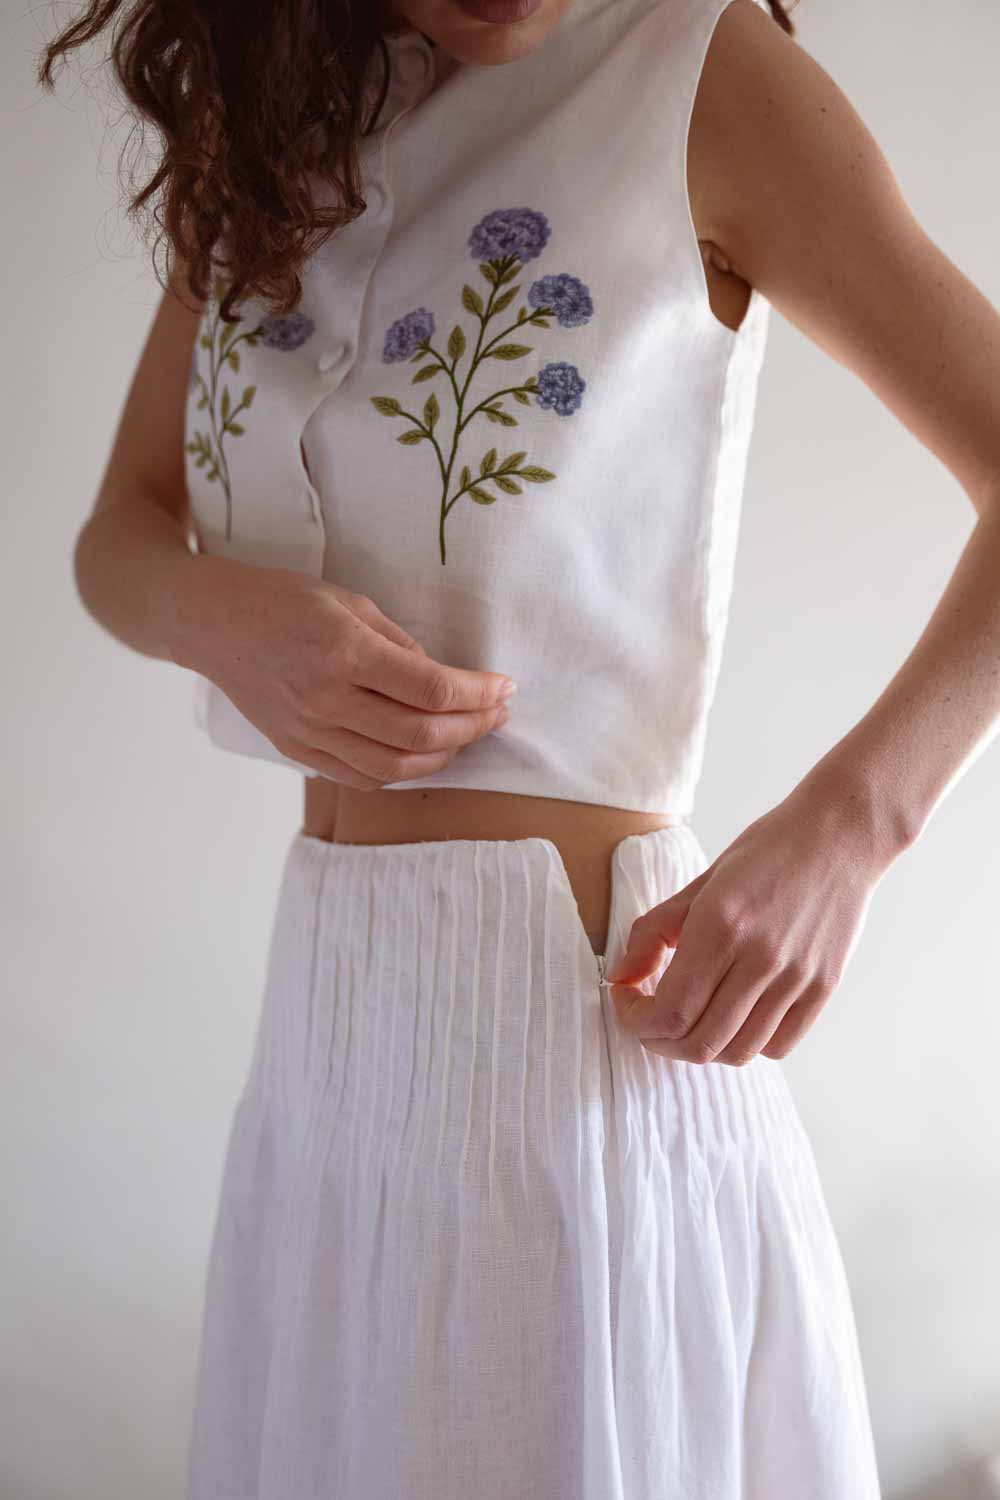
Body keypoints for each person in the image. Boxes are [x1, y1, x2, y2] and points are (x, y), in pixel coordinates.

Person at [43, 0, 1000, 1493]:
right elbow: (118, 532)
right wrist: (217, 618)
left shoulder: (705, 72)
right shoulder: (276, 110)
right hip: (325, 1047)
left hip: (581, 1056)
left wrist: (854, 827)